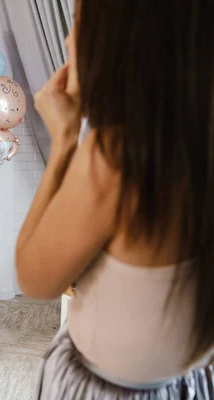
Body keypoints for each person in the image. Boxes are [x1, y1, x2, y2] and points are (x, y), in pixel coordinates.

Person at [15, 0, 214, 398]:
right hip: (188, 386)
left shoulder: (117, 157)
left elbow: (35, 279)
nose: (68, 40)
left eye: (76, 22)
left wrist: (64, 142)